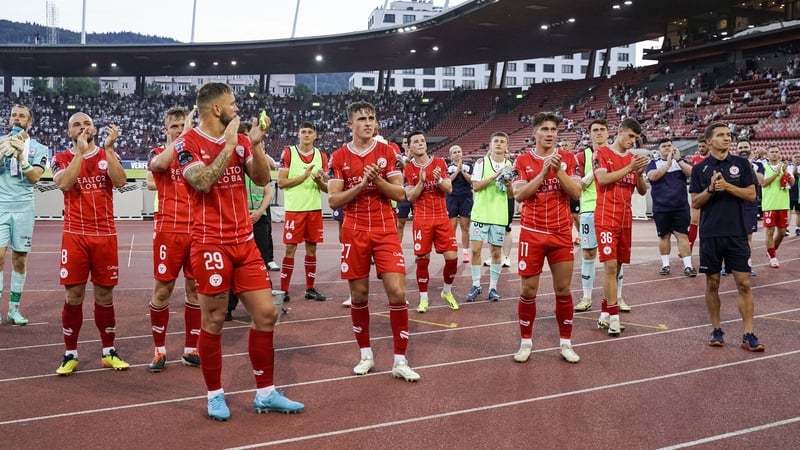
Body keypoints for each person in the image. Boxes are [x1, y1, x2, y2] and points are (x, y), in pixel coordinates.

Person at [176, 83, 304, 420]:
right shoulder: (186, 144)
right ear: (217, 109)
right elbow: (202, 181)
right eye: (232, 103)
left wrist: (255, 146)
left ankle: (265, 393)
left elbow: (262, 179)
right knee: (215, 319)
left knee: (266, 314)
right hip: (209, 243)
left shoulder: (244, 140)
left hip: (244, 243)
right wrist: (230, 144)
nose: (237, 108)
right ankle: (214, 394)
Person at [328, 100, 420, 382]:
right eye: (362, 119)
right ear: (350, 125)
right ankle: (366, 354)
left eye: (372, 118)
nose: (368, 123)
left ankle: (400, 360)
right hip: (354, 229)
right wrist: (360, 184)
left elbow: (400, 194)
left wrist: (377, 181)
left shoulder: (386, 152)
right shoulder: (339, 157)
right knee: (359, 296)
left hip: (384, 229)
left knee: (397, 291)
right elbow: (334, 199)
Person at [52, 112, 130, 375]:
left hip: (105, 235)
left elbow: (120, 181)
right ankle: (70, 353)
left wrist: (108, 149)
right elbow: (64, 184)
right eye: (77, 124)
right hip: (74, 235)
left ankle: (108, 351)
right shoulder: (61, 158)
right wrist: (79, 154)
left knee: (105, 295)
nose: (83, 127)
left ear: (95, 128)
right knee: (73, 295)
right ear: (69, 132)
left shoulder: (107, 155)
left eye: (87, 123)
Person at [510, 112, 581, 364]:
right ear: (535, 133)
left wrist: (558, 170)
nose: (550, 133)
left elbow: (575, 192)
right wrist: (542, 173)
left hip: (561, 233)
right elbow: (519, 195)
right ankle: (526, 342)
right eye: (545, 129)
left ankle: (566, 343)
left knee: (563, 289)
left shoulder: (570, 158)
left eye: (553, 129)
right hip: (533, 233)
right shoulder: (522, 160)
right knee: (528, 290)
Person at [689, 123, 763, 352]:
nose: (726, 139)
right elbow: (695, 202)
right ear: (709, 141)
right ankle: (716, 329)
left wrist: (727, 186)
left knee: (744, 283)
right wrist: (711, 189)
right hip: (711, 234)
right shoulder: (700, 169)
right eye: (721, 135)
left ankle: (748, 333)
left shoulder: (741, 164)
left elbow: (751, 194)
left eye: (728, 135)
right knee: (712, 283)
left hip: (737, 233)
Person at [145, 106, 202, 372]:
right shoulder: (159, 154)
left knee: (195, 290)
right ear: (166, 129)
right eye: (175, 126)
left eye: (183, 125)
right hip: (169, 231)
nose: (180, 130)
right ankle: (159, 351)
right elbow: (160, 166)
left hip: (197, 230)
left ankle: (191, 349)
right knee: (163, 290)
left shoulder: (197, 156)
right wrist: (185, 138)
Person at [593, 118, 649, 336]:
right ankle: (614, 317)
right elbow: (604, 179)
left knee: (617, 269)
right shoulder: (602, 154)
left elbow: (642, 191)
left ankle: (605, 312)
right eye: (630, 136)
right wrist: (630, 167)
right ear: (620, 132)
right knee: (609, 266)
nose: (632, 141)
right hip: (606, 217)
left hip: (626, 219)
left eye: (635, 138)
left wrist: (640, 174)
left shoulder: (635, 160)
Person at [574, 120, 632, 312]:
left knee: (615, 258)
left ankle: (618, 297)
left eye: (602, 130)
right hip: (590, 209)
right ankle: (586, 297)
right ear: (589, 134)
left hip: (615, 210)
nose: (599, 133)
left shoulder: (619, 153)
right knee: (588, 253)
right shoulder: (582, 156)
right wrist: (594, 174)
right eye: (595, 130)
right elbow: (577, 187)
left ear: (609, 133)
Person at [0, 105, 48, 325]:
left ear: (30, 122)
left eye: (21, 116)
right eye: (13, 115)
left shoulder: (39, 147)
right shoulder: (0, 142)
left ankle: (14, 309)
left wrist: (22, 158)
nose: (16, 118)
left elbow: (35, 177)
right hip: (1, 205)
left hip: (24, 208)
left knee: (19, 258)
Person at [403, 130, 459, 313]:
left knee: (452, 259)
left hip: (442, 217)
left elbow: (448, 188)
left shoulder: (439, 163)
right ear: (410, 146)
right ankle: (423, 298)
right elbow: (410, 197)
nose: (420, 143)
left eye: (422, 141)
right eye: (416, 141)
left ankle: (447, 292)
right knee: (422, 259)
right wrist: (420, 182)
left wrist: (439, 179)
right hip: (422, 219)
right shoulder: (409, 168)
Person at [277, 121, 329, 302]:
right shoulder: (289, 153)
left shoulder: (321, 156)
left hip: (314, 209)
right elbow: (281, 183)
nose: (306, 135)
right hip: (294, 210)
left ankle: (310, 288)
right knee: (290, 249)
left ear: (315, 135)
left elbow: (327, 188)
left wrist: (319, 181)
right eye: (303, 132)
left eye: (310, 132)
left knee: (312, 249)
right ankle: (284, 290)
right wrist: (304, 176)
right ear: (298, 134)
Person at [465, 132, 513, 302]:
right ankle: (476, 284)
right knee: (476, 250)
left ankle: (493, 287)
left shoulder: (510, 165)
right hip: (480, 213)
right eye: (496, 141)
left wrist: (508, 186)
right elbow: (476, 186)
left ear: (506, 145)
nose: (499, 144)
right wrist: (494, 176)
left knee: (496, 253)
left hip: (498, 215)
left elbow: (512, 195)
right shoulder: (481, 163)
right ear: (491, 145)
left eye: (502, 142)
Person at [645, 138, 697, 277]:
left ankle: (688, 266)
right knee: (664, 236)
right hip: (661, 207)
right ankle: (665, 265)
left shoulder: (681, 162)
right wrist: (667, 164)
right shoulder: (653, 163)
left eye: (669, 145)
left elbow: (692, 173)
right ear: (659, 149)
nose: (667, 148)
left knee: (682, 235)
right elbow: (653, 176)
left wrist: (678, 160)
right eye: (664, 146)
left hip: (680, 207)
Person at [756, 144, 794, 268]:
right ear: (768, 154)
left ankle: (771, 250)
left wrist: (786, 175)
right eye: (771, 151)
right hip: (769, 204)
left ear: (779, 153)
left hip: (783, 203)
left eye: (776, 151)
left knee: (782, 232)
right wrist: (777, 173)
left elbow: (792, 183)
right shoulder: (764, 166)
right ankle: (772, 256)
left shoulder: (785, 167)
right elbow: (763, 183)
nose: (774, 153)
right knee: (769, 232)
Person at [445, 145, 473, 263]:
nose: (457, 154)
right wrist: (457, 170)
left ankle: (465, 252)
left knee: (465, 227)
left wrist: (463, 170)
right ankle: (453, 250)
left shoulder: (469, 166)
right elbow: (447, 181)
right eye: (454, 152)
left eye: (459, 151)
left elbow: (471, 180)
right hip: (452, 197)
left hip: (466, 197)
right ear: (451, 155)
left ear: (462, 153)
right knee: (452, 227)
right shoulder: (447, 167)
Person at [688, 138, 709, 252]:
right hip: (698, 194)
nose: (701, 149)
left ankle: (706, 248)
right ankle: (688, 249)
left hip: (711, 194)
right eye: (699, 146)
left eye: (703, 146)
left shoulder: (712, 160)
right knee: (694, 221)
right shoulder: (695, 160)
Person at [395, 135, 413, 243]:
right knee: (400, 223)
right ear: (402, 145)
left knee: (419, 223)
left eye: (409, 142)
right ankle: (398, 248)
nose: (407, 145)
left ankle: (420, 250)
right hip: (403, 193)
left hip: (416, 192)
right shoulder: (398, 158)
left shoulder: (419, 158)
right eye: (405, 143)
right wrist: (407, 160)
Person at [788, 152, 800, 236]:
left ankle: (798, 228)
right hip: (789, 193)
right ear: (792, 158)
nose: (797, 158)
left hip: (799, 194)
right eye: (795, 157)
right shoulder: (788, 167)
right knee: (788, 211)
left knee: (799, 212)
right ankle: (786, 228)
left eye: (799, 157)